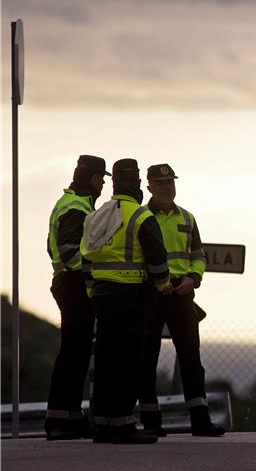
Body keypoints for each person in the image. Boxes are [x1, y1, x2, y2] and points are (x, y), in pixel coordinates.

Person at [80, 158, 172, 444]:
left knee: (106, 360)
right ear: (137, 185)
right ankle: (123, 424)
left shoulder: (98, 215)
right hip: (131, 296)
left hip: (103, 296)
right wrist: (163, 284)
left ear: (116, 183)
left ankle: (103, 424)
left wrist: (92, 289)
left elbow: (86, 257)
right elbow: (157, 257)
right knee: (130, 360)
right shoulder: (141, 216)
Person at [137, 163, 224, 437]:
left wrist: (193, 279)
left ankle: (200, 421)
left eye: (171, 182)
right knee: (147, 358)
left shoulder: (187, 218)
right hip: (151, 293)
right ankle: (151, 422)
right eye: (161, 183)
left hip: (182, 294)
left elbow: (198, 255)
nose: (167, 187)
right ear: (149, 186)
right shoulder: (140, 217)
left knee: (191, 358)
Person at [44, 155, 109, 440]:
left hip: (69, 283)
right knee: (73, 354)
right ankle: (59, 421)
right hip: (75, 284)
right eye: (102, 179)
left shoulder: (71, 203)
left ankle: (69, 418)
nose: (104, 184)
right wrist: (96, 271)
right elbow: (71, 252)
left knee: (78, 354)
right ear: (95, 179)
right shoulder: (77, 208)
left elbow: (55, 248)